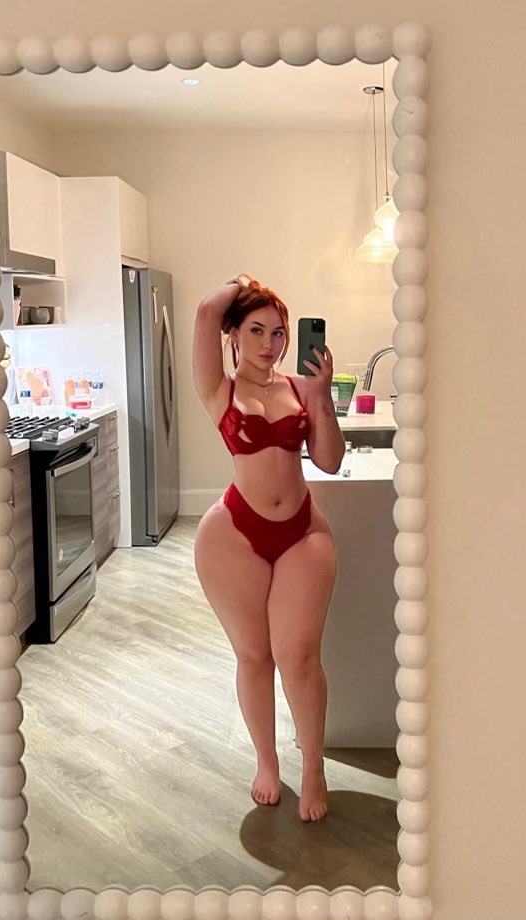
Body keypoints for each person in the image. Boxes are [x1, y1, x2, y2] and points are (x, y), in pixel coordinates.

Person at [192, 274, 345, 822]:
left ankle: (314, 768)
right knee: (254, 656)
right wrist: (243, 285)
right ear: (234, 334)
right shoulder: (220, 389)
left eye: (278, 332)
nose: (269, 343)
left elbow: (329, 461)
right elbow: (206, 312)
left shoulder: (300, 388)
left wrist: (322, 397)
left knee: (298, 657)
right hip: (233, 535)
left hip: (302, 532)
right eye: (256, 330)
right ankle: (266, 760)